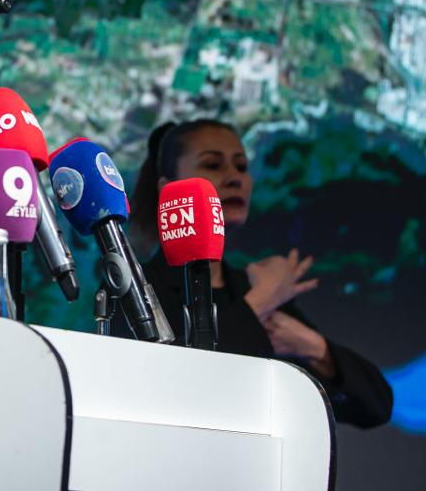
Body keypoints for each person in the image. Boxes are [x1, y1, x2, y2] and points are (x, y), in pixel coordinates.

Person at [124, 119, 393, 428]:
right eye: (213, 165)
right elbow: (173, 392)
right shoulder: (137, 289)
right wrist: (260, 302)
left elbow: (376, 406)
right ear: (168, 188)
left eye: (241, 166)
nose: (234, 178)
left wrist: (311, 346)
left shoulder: (249, 286)